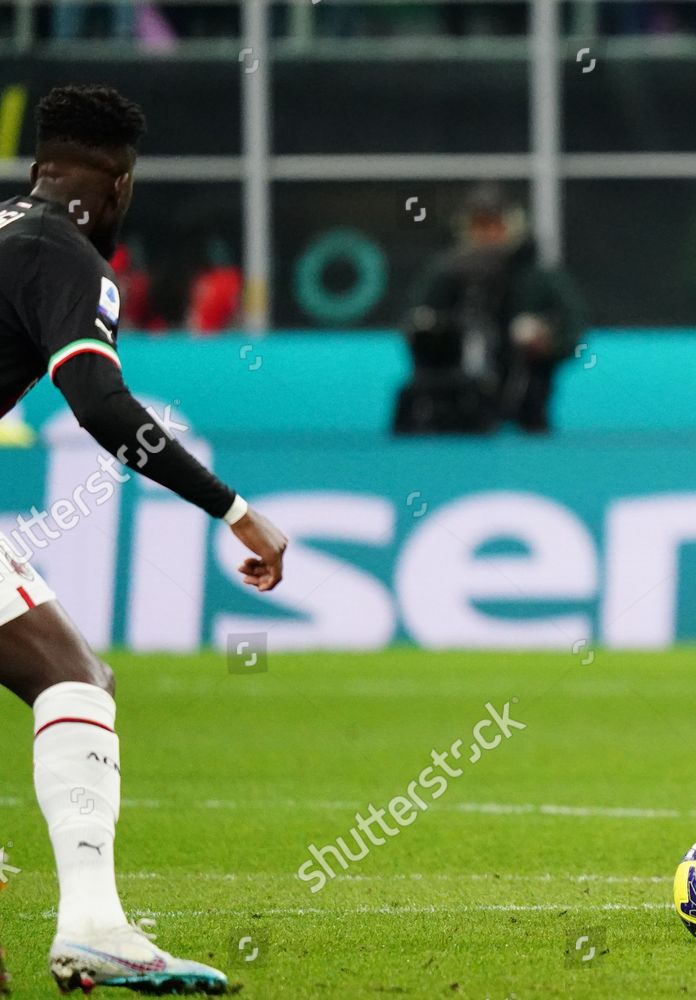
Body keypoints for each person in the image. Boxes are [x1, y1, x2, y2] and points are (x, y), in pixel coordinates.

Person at [0, 85, 287, 995]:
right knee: (75, 680)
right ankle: (94, 927)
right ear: (118, 186)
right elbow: (102, 407)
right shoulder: (67, 254)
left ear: (40, 164)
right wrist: (235, 507)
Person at [397, 186, 582, 435]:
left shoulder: (538, 277)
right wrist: (432, 335)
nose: (486, 235)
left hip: (524, 394)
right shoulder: (443, 273)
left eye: (494, 225)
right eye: (479, 225)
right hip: (453, 394)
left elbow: (573, 328)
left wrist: (546, 344)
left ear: (512, 225)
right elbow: (413, 321)